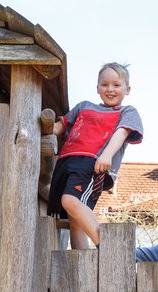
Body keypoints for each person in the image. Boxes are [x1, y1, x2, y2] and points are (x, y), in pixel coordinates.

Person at [47, 62, 143, 249]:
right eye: (104, 84)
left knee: (70, 200)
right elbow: (61, 126)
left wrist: (106, 155)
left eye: (116, 85)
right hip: (66, 161)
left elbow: (122, 132)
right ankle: (81, 267)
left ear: (127, 89)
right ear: (97, 88)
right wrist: (43, 127)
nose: (110, 89)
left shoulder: (126, 111)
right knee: (75, 219)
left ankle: (109, 249)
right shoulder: (84, 106)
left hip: (94, 162)